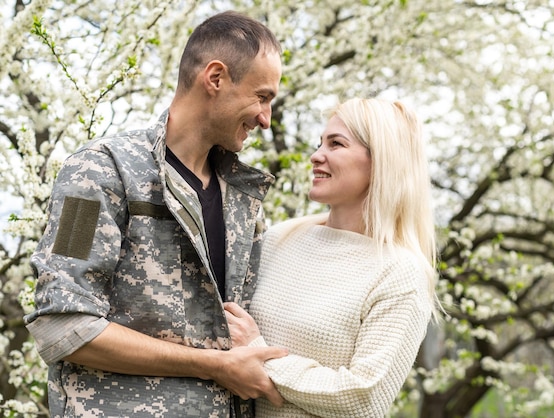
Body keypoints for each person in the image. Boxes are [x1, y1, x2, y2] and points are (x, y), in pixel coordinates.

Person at [23, 11, 288, 418]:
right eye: (262, 97)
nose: (266, 120)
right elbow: (63, 325)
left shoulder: (244, 200)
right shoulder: (96, 170)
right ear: (215, 78)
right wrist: (215, 365)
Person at [225, 97, 440, 417]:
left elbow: (364, 398)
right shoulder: (279, 238)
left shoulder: (400, 273)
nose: (315, 156)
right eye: (319, 143)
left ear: (382, 160)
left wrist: (261, 357)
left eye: (336, 144)